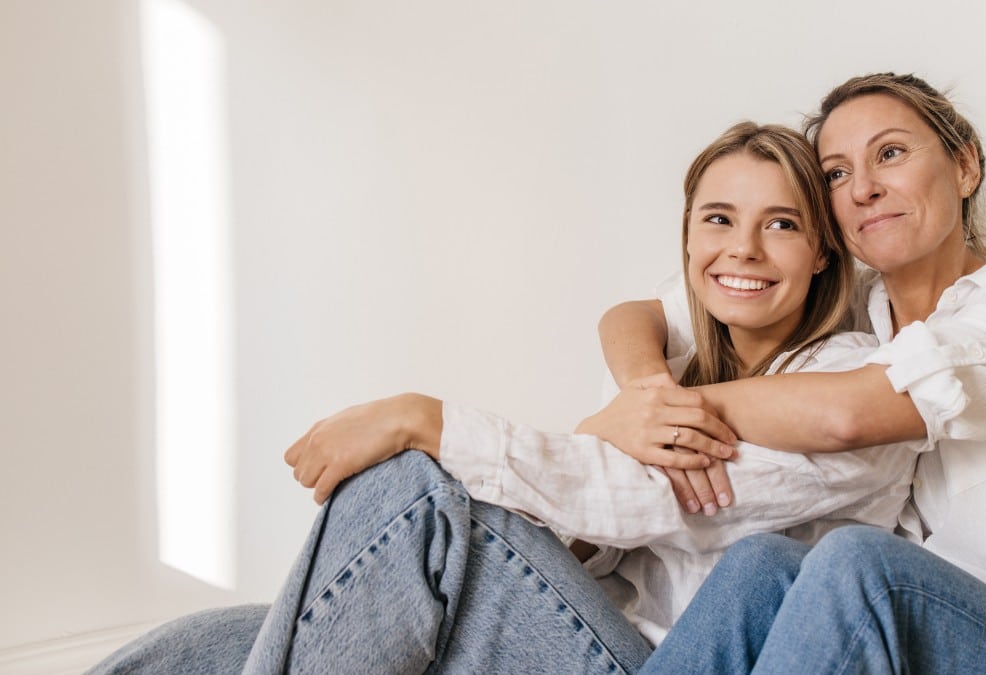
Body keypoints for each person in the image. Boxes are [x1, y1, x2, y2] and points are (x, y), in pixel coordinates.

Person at [87, 122, 918, 674]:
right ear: (689, 235)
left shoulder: (842, 383)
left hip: (652, 660)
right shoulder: (677, 368)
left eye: (780, 224)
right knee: (250, 631)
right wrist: (632, 392)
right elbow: (588, 528)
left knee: (411, 489)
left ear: (820, 254)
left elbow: (625, 495)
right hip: (595, 626)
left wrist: (427, 416)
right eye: (718, 219)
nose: (743, 246)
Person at [588, 73, 986, 673]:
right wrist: (646, 392)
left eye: (890, 154)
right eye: (838, 174)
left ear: (966, 166)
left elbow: (849, 413)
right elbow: (642, 316)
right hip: (904, 647)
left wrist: (671, 416)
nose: (864, 188)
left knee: (856, 564)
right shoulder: (852, 305)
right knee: (760, 562)